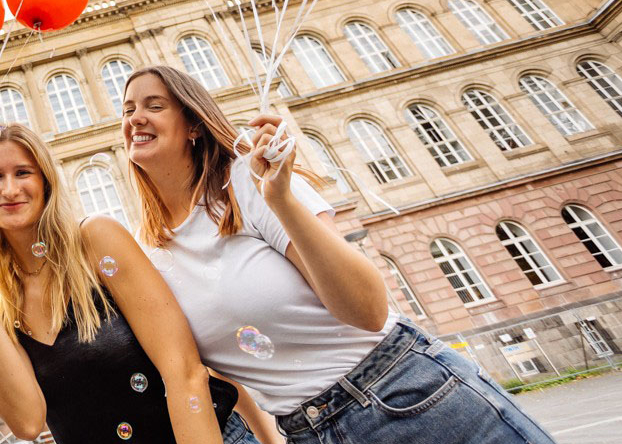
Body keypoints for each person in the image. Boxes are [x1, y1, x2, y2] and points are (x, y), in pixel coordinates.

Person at [119, 64, 556, 444]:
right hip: (307, 431)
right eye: (127, 110)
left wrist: (282, 200)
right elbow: (219, 373)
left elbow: (368, 310)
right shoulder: (146, 251)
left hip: (404, 392)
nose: (136, 117)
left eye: (154, 105)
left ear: (194, 125)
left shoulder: (251, 181)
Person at [0, 122, 262, 444]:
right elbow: (27, 423)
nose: (10, 189)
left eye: (23, 172)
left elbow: (185, 371)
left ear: (45, 181)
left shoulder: (96, 241)